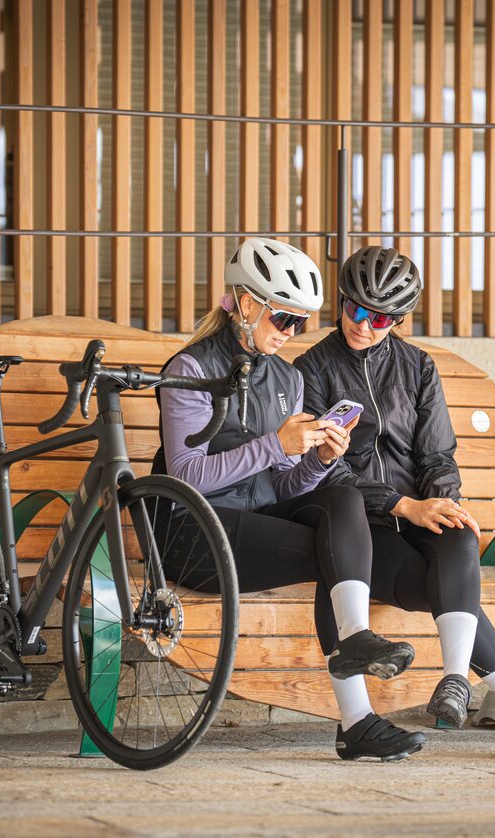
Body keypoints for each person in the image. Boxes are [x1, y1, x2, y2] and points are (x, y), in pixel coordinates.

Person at [153, 237, 427, 761]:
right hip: (196, 532)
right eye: (283, 319)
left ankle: (356, 649)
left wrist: (316, 462)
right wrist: (272, 445)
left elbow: (281, 488)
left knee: (341, 495)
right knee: (334, 556)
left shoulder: (287, 378)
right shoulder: (189, 371)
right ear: (248, 303)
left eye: (299, 324)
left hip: (257, 525)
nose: (290, 333)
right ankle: (358, 719)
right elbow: (186, 476)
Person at [294, 245, 495, 761]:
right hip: (362, 526)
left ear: (398, 319)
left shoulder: (417, 367)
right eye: (353, 307)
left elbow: (437, 455)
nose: (362, 323)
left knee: (461, 534)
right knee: (444, 588)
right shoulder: (311, 370)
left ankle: (453, 680)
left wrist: (441, 505)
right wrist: (403, 505)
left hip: (417, 512)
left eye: (378, 317)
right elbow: (330, 468)